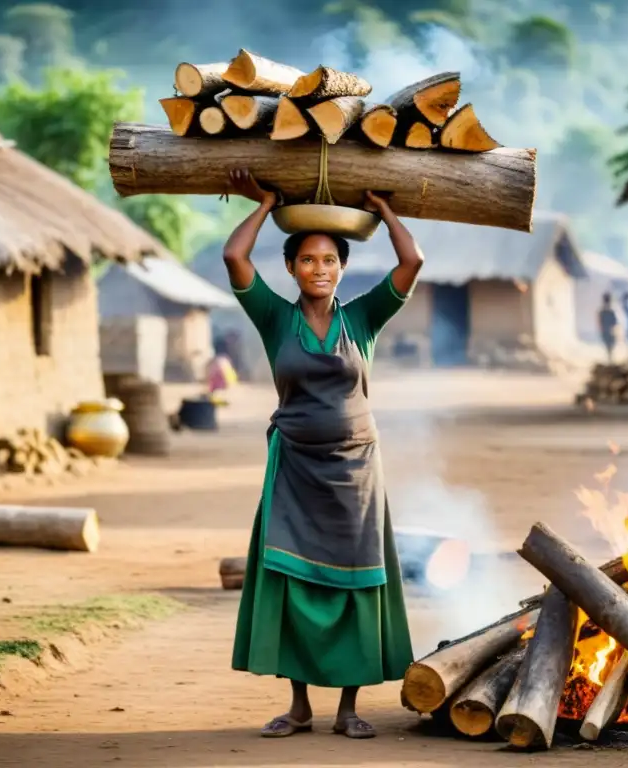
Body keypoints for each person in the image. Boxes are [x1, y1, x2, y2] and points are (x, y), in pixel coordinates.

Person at [223, 168, 422, 740]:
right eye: (307, 261)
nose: (319, 270)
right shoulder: (274, 318)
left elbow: (412, 263)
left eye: (330, 260)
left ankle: (348, 708)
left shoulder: (362, 318)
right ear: (290, 268)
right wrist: (263, 203)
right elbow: (235, 256)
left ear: (342, 267)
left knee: (357, 584)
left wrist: (384, 210)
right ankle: (300, 706)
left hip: (356, 471)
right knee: (294, 580)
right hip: (295, 471)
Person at [598, 292, 618, 362]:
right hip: (610, 330)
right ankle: (610, 358)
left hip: (605, 330)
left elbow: (600, 322)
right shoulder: (611, 311)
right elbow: (615, 322)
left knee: (608, 345)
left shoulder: (602, 311)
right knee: (610, 345)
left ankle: (610, 358)